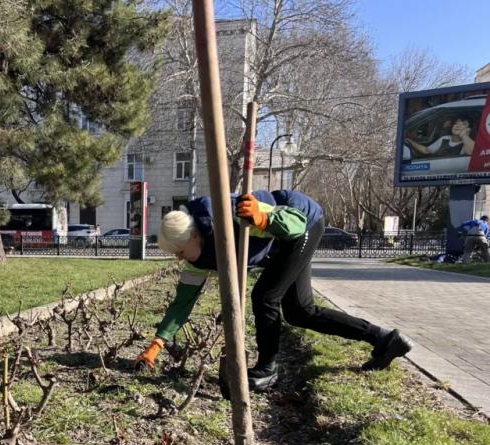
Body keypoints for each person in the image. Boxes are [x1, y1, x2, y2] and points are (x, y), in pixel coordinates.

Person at [135, 191, 413, 391]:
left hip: (302, 223)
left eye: (181, 252)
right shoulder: (197, 257)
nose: (180, 259)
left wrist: (262, 219)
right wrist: (157, 343)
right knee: (300, 311)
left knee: (266, 296)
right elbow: (183, 302)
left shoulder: (232, 217)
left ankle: (268, 368)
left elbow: (295, 224)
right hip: (282, 245)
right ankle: (384, 339)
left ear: (196, 236)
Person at [406, 116, 475, 158]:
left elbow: (473, 153)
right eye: (456, 123)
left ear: (469, 129)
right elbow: (427, 150)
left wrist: (464, 135)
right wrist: (410, 141)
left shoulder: (467, 144)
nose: (457, 125)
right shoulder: (444, 138)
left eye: (464, 124)